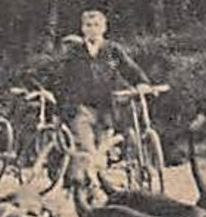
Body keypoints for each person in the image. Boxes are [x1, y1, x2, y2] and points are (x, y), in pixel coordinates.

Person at [56, 9, 150, 160]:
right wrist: (61, 107)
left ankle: (98, 178)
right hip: (82, 108)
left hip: (106, 108)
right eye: (88, 25)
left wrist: (141, 83)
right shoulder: (75, 52)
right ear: (83, 29)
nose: (92, 29)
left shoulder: (112, 49)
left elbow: (129, 68)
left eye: (96, 25)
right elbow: (63, 79)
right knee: (86, 149)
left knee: (103, 149)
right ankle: (87, 178)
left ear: (104, 28)